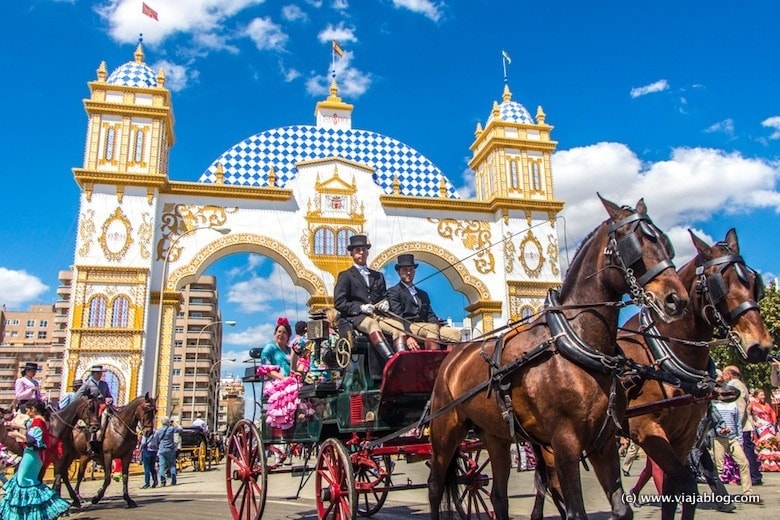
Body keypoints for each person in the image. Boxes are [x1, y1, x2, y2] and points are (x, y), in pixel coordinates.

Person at [0, 399, 70, 520]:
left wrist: (17, 435)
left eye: (27, 409)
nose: (26, 411)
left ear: (34, 409)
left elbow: (35, 442)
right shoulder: (42, 421)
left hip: (31, 456)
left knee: (24, 482)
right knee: (29, 482)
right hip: (36, 457)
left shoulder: (37, 422)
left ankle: (27, 514)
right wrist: (15, 425)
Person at [333, 234, 396, 361]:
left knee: (398, 328)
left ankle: (403, 361)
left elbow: (384, 296)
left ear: (367, 252)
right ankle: (390, 360)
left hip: (378, 316)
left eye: (364, 250)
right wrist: (360, 307)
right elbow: (339, 302)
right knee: (372, 324)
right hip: (356, 318)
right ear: (352, 254)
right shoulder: (345, 276)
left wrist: (386, 302)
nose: (361, 253)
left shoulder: (378, 276)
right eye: (358, 250)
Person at [386, 254, 462, 350]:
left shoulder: (422, 294)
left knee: (455, 334)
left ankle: (449, 363)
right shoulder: (394, 292)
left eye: (411, 269)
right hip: (409, 326)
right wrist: (408, 336)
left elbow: (430, 315)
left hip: (427, 327)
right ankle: (433, 361)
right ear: (399, 272)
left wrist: (435, 324)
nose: (408, 272)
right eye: (405, 270)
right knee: (431, 328)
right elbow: (398, 318)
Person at [722, 365, 763, 485]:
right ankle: (753, 475)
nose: (724, 377)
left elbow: (740, 407)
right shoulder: (740, 384)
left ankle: (753, 476)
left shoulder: (735, 385)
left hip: (742, 426)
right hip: (743, 426)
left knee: (746, 452)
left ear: (729, 374)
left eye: (724, 374)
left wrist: (735, 426)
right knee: (747, 451)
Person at [712, 394, 753, 496]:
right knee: (719, 468)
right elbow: (712, 423)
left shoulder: (733, 405)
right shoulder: (714, 405)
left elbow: (737, 423)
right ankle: (719, 495)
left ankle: (748, 493)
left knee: (744, 463)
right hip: (719, 439)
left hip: (733, 438)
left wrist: (740, 440)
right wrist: (720, 430)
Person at [154, 416, 182, 486]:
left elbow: (157, 441)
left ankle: (163, 482)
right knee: (172, 465)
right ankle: (173, 481)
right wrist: (175, 423)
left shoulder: (158, 431)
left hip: (162, 449)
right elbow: (180, 429)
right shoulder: (171, 429)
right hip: (170, 449)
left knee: (162, 466)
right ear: (168, 422)